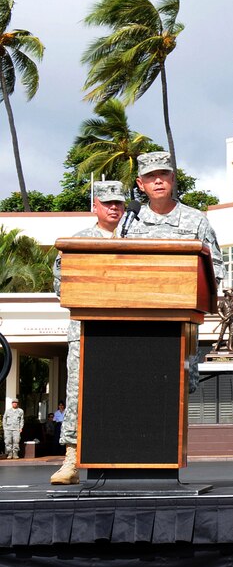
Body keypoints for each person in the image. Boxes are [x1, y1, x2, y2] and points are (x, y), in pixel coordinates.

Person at [50, 180, 126, 484]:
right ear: (95, 206)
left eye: (118, 203)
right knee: (79, 394)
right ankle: (71, 460)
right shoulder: (78, 242)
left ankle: (127, 457)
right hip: (87, 328)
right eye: (107, 203)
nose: (113, 208)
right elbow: (61, 285)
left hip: (131, 331)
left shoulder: (138, 238)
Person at [126, 151, 224, 282]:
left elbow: (215, 266)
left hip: (185, 297)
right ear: (140, 184)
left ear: (172, 178)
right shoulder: (129, 221)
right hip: (139, 296)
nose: (158, 181)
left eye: (163, 174)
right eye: (150, 176)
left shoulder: (196, 220)